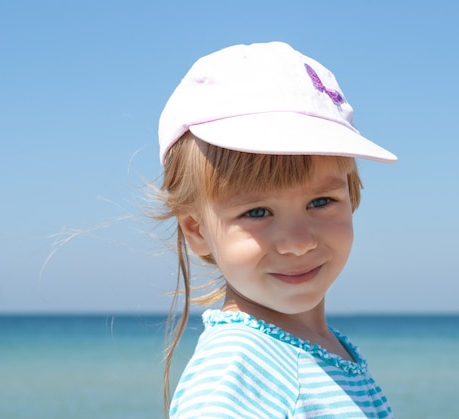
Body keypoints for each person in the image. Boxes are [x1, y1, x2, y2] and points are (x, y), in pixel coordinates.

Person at [155, 41, 397, 418]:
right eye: (257, 212)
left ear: (352, 196)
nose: (298, 243)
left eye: (320, 202)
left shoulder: (321, 350)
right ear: (196, 229)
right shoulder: (239, 368)